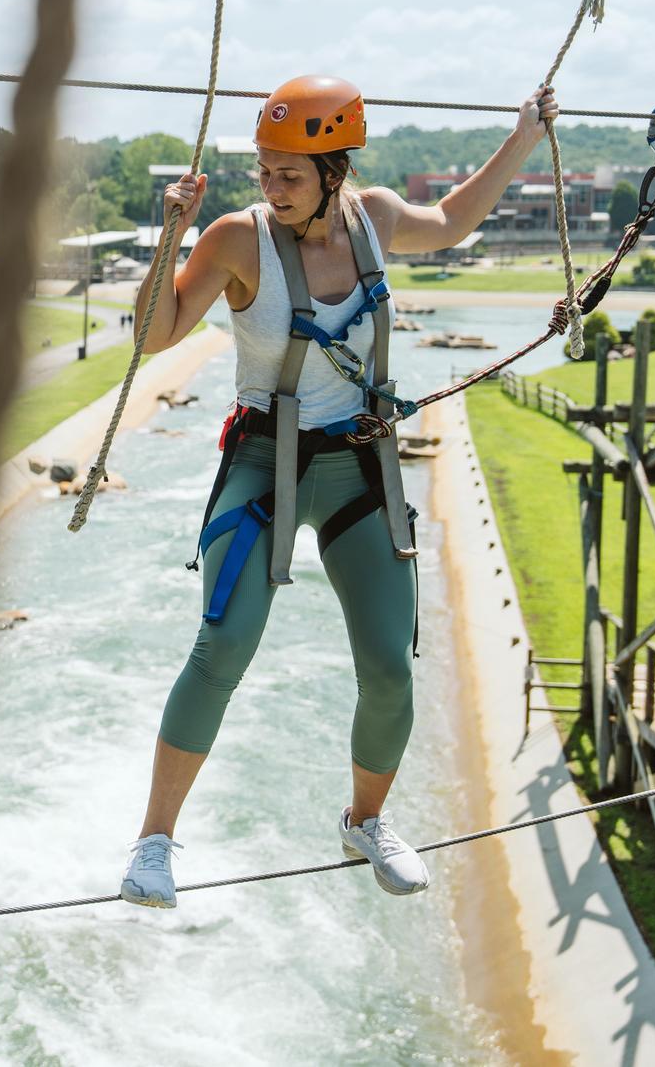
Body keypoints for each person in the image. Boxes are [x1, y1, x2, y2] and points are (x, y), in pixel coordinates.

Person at [120, 74, 559, 905]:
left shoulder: (377, 219)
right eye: (263, 171)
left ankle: (365, 820)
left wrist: (524, 137)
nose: (270, 187)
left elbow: (457, 220)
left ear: (335, 170)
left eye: (288, 173)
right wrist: (172, 232)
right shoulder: (236, 239)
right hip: (263, 464)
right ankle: (153, 842)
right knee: (222, 646)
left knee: (391, 665)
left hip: (358, 465)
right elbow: (154, 336)